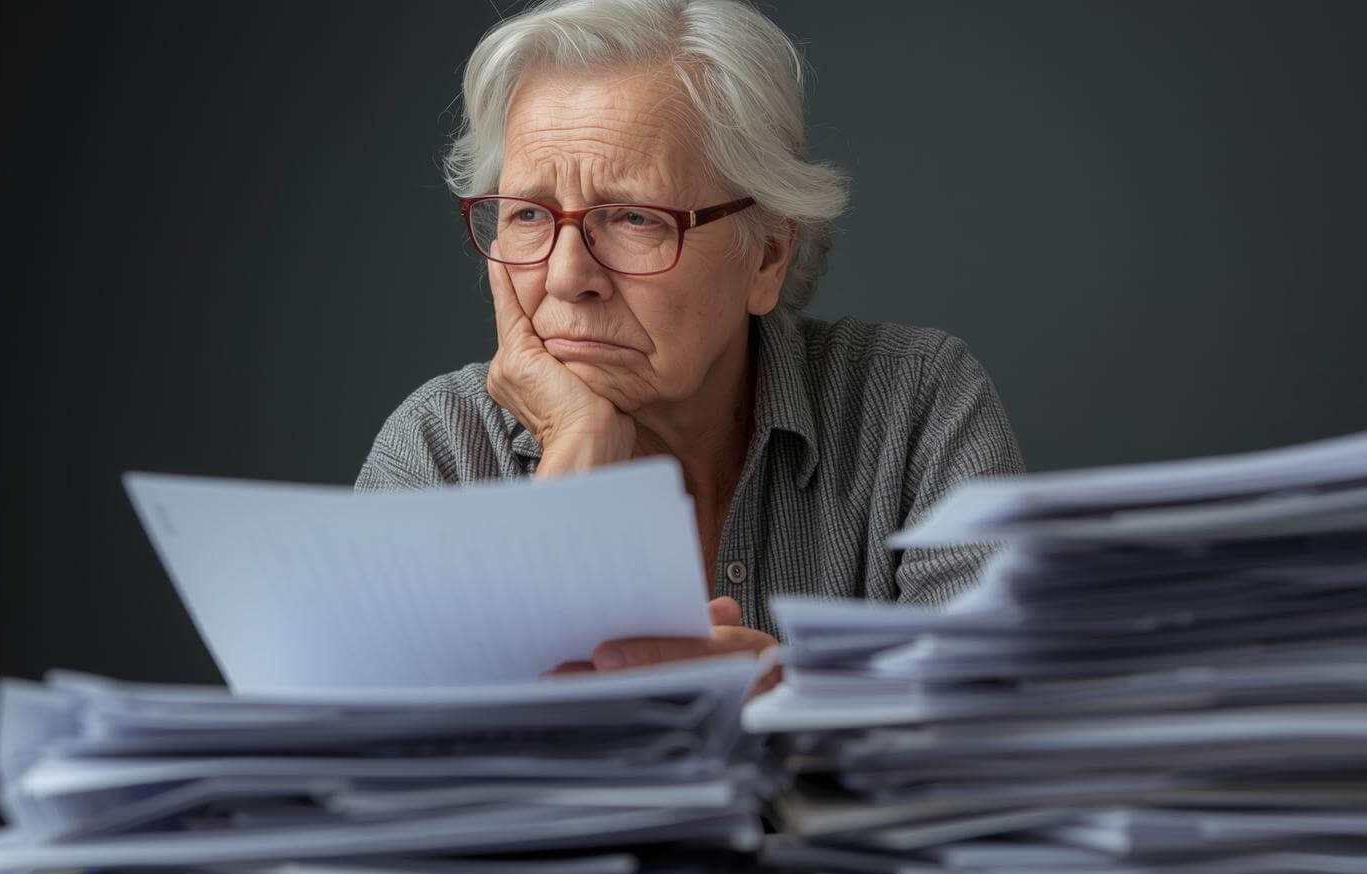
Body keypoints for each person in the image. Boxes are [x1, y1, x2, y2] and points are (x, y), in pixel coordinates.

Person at [356, 0, 1024, 679]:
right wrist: (576, 443)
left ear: (766, 256)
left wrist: (804, 706)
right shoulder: (442, 451)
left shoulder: (914, 403)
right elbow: (395, 754)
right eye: (528, 213)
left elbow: (999, 715)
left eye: (635, 218)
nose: (566, 277)